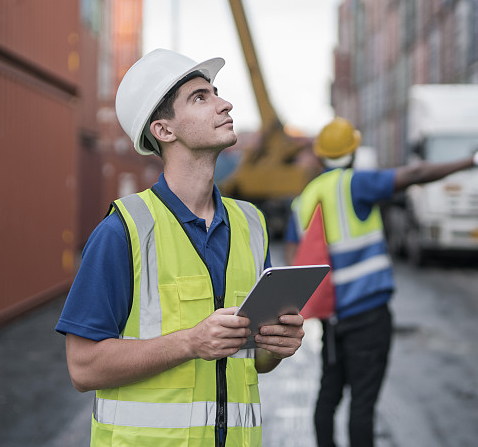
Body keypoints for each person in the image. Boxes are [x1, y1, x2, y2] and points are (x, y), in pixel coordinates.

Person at [56, 48, 305, 447]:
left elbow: (253, 362)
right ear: (164, 130)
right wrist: (190, 342)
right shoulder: (123, 231)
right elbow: (82, 368)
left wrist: (277, 347)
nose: (225, 104)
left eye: (216, 93)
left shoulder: (251, 225)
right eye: (200, 98)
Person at [284, 117, 478, 447]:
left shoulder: (303, 200)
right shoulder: (355, 184)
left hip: (333, 321)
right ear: (353, 151)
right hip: (368, 316)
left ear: (320, 156)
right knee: (363, 404)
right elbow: (415, 175)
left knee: (328, 397)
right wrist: (474, 159)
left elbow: (296, 264)